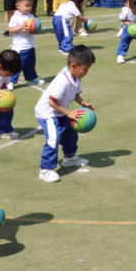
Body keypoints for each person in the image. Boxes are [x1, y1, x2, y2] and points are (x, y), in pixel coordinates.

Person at [33, 45, 95, 184]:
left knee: (70, 133)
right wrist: (68, 113)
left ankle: (69, 157)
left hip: (59, 111)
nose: (86, 72)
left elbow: (76, 94)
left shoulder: (76, 77)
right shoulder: (63, 80)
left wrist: (83, 104)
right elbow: (51, 102)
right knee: (53, 138)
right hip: (47, 112)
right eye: (85, 69)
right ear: (74, 66)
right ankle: (45, 169)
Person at [5, 0, 41, 88]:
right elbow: (11, 30)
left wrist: (36, 27)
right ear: (18, 6)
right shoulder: (16, 17)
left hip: (30, 45)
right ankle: (10, 81)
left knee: (30, 64)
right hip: (20, 46)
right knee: (18, 65)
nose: (28, 8)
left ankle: (31, 78)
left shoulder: (30, 16)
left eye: (30, 5)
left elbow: (34, 27)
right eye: (26, 6)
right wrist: (21, 27)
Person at [115, 0, 136, 64]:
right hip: (127, 29)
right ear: (130, 7)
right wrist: (128, 23)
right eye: (135, 9)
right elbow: (121, 19)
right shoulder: (126, 11)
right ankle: (120, 55)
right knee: (124, 42)